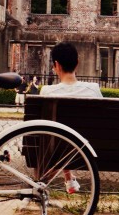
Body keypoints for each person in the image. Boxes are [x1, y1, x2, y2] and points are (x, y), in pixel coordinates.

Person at [39, 42, 102, 193]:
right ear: (77, 63)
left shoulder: (47, 92)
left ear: (56, 65)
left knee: (56, 138)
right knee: (70, 137)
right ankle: (68, 177)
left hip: (53, 150)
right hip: (86, 150)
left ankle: (50, 181)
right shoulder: (93, 90)